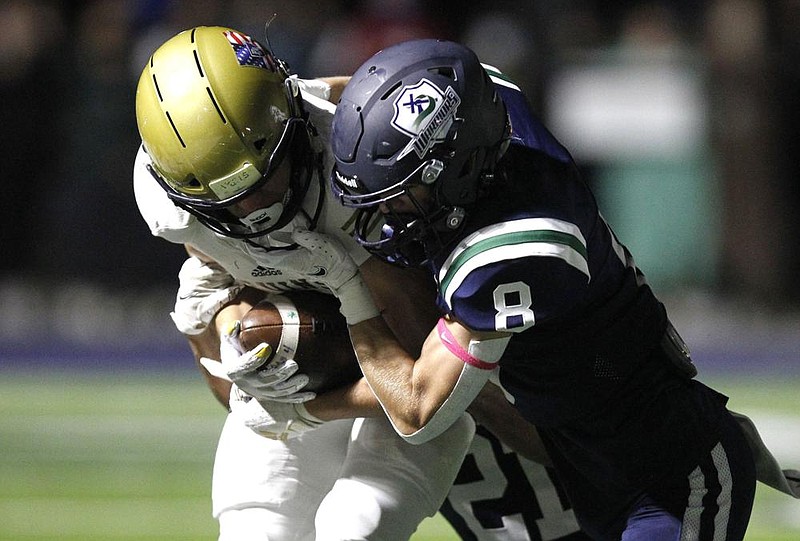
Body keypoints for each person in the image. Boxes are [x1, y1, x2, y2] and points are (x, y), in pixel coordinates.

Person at [133, 26, 590, 540]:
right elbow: (208, 317)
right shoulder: (175, 207)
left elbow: (424, 390)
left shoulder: (361, 161)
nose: (253, 209)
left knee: (356, 526)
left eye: (266, 177)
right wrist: (240, 347)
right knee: (254, 523)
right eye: (227, 201)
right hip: (365, 365)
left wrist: (306, 404)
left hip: (441, 362)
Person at [321, 38, 762, 540]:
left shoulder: (509, 252)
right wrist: (306, 94)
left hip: (669, 477)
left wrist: (346, 289)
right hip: (589, 463)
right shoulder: (483, 106)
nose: (389, 211)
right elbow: (372, 100)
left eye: (405, 192)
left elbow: (418, 407)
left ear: (460, 169)